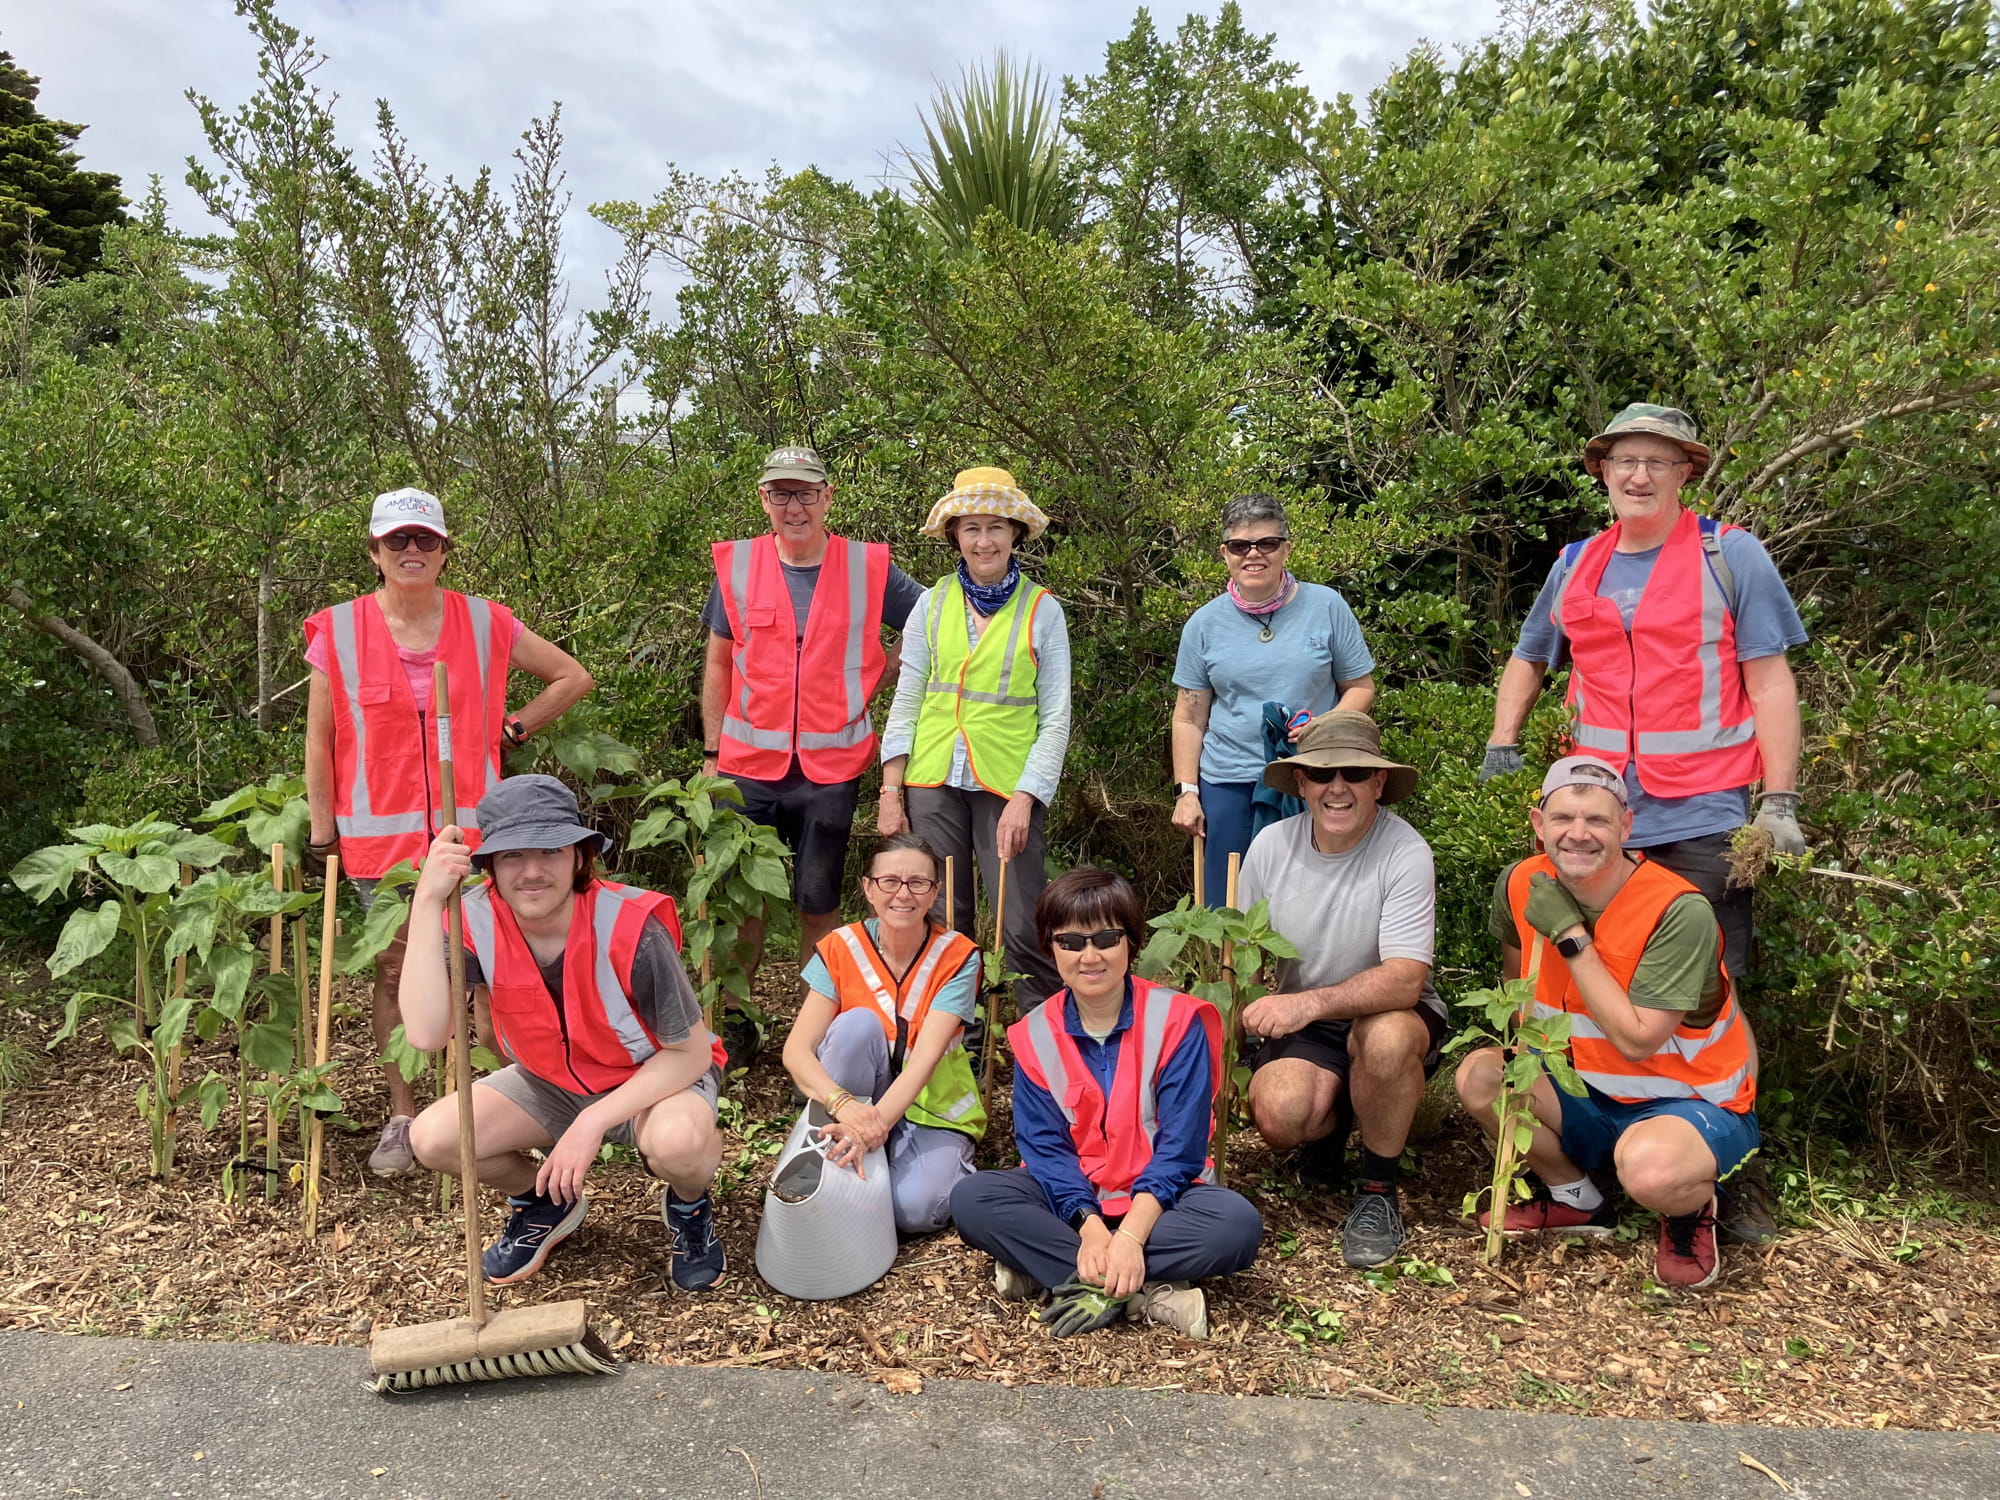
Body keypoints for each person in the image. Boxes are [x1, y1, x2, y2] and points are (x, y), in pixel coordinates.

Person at [1479, 403, 1806, 1242]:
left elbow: (1768, 680)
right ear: (1603, 470)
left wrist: (1779, 801)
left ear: (1686, 471)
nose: (1637, 476)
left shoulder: (1729, 557)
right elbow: (1530, 653)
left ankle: (1723, 1170)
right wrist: (1503, 738)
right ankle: (1593, 1155)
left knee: (1707, 991)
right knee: (1570, 972)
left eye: (1657, 462)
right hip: (1596, 815)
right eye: (1624, 460)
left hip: (1700, 805)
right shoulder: (1578, 564)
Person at [303, 487, 593, 1177]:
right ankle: (404, 1118)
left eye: (424, 541)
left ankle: (502, 1110)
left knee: (493, 974)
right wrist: (322, 831)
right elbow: (320, 741)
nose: (411, 551)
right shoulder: (337, 630)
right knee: (398, 972)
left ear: (443, 551)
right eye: (397, 540)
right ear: (374, 552)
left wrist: (512, 727)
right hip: (381, 844)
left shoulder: (484, 621)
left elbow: (571, 677)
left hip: (477, 840)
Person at [402, 775, 730, 1291]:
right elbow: (425, 1032)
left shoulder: (631, 924)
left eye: (550, 851)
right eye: (512, 856)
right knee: (434, 1138)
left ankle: (689, 1208)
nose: (531, 872)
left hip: (654, 1081)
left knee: (678, 1144)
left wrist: (592, 1122)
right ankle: (546, 1201)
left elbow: (689, 1055)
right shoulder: (475, 919)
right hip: (549, 1081)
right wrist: (426, 901)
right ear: (488, 866)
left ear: (579, 857)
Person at [1456, 756, 1759, 1289]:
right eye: (1563, 818)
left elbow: (1639, 1040)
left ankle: (1688, 1209)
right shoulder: (1521, 882)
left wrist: (1571, 935)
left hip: (1685, 1102)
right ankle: (1577, 1198)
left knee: (1650, 1169)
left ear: (1626, 825)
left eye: (1597, 820)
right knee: (1481, 1077)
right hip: (1583, 1089)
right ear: (1538, 824)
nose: (1578, 834)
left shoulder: (1676, 910)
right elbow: (1517, 999)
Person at [950, 868, 1263, 1340]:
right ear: (1050, 948)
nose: (1089, 956)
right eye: (1071, 942)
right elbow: (1045, 1150)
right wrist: (1092, 1229)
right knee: (973, 1200)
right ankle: (1141, 1294)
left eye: (1105, 938)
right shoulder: (1037, 1034)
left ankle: (1053, 1271)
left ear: (1130, 942)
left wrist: (1133, 1234)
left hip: (1165, 1200)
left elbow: (1182, 1147)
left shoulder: (1177, 1021)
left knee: (1235, 1227)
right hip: (1073, 1201)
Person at [700, 446, 926, 1064]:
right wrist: (711, 750)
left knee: (817, 901)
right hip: (746, 766)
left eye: (805, 493)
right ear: (763, 500)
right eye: (781, 494)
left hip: (833, 767)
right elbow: (719, 663)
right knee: (744, 902)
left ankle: (813, 1027)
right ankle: (741, 1021)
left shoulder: (868, 567)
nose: (793, 506)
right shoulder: (737, 565)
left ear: (828, 497)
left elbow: (934, 619)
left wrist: (895, 669)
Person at [1237, 711, 1445, 1269]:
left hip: (1384, 1011)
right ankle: (1335, 1124)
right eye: (1322, 774)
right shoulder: (1268, 847)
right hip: (1303, 1020)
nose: (1338, 787)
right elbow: (1245, 959)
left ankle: (1378, 1190)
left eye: (1354, 774)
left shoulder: (1405, 852)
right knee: (1279, 1117)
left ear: (1379, 783)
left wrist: (1305, 1002)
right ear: (1300, 782)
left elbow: (1405, 978)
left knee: (1386, 1039)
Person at [878, 466, 1071, 1014]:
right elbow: (907, 699)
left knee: (1022, 920)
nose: (983, 541)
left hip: (1009, 788)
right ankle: (950, 1047)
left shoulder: (1043, 611)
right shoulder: (931, 604)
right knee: (941, 919)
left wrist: (1026, 800)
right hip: (932, 779)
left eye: (995, 527)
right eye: (971, 529)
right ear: (954, 536)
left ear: (1015, 534)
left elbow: (1056, 719)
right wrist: (891, 791)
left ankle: (1040, 1045)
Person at [1172, 494, 1376, 906]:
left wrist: (1325, 726)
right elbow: (1189, 717)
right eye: (1240, 545)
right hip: (1228, 780)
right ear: (1224, 553)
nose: (1254, 554)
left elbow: (1361, 687)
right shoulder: (1203, 625)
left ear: (1286, 547)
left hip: (1310, 776)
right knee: (1226, 905)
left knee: (1307, 901)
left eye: (1267, 543)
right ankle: (1227, 973)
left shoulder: (1327, 606)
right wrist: (1186, 791)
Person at [780, 832, 984, 1234]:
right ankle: (841, 1148)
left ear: (934, 892)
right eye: (889, 881)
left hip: (931, 1108)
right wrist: (844, 1106)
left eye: (918, 883)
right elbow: (796, 1051)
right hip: (852, 1101)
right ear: (868, 889)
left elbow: (925, 1058)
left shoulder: (958, 956)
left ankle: (888, 1162)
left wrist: (875, 1125)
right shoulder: (840, 947)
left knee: (912, 1212)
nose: (903, 894)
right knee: (857, 1024)